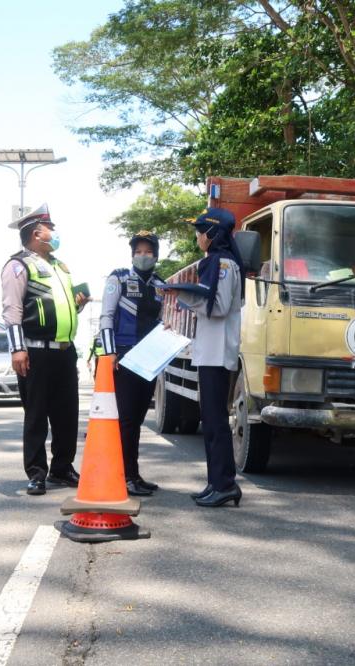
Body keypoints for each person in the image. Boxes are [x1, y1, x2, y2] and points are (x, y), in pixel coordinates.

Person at [0, 204, 90, 496]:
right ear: (37, 233)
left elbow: (57, 307)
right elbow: (12, 310)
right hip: (35, 352)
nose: (54, 233)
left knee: (67, 414)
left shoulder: (59, 266)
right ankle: (37, 473)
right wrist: (17, 349)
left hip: (64, 351)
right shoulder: (17, 265)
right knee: (36, 414)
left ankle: (62, 468)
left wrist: (78, 304)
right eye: (50, 228)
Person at [164, 207, 244, 508]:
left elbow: (220, 306)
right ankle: (216, 482)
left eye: (200, 231)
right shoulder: (218, 262)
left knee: (216, 422)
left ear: (212, 233)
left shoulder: (222, 263)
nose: (198, 236)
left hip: (216, 352)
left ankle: (225, 484)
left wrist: (184, 297)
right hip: (209, 351)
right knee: (210, 421)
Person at [99, 230, 166, 497]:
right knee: (126, 419)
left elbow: (163, 319)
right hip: (124, 356)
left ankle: (133, 474)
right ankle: (124, 476)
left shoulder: (160, 285)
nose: (142, 256)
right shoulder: (119, 278)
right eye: (138, 252)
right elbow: (106, 315)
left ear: (155, 255)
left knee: (137, 419)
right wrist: (110, 352)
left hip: (150, 358)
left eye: (147, 252)